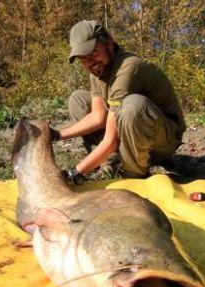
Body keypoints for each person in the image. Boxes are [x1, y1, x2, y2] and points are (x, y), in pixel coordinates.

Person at [53, 20, 185, 183]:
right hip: (130, 130)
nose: (90, 62)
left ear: (109, 43)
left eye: (93, 52)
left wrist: (74, 173)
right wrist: (57, 135)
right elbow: (98, 116)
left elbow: (110, 139)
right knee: (78, 99)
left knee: (132, 106)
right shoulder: (97, 71)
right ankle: (109, 162)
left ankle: (133, 173)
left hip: (164, 138)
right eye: (83, 58)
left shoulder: (127, 68)